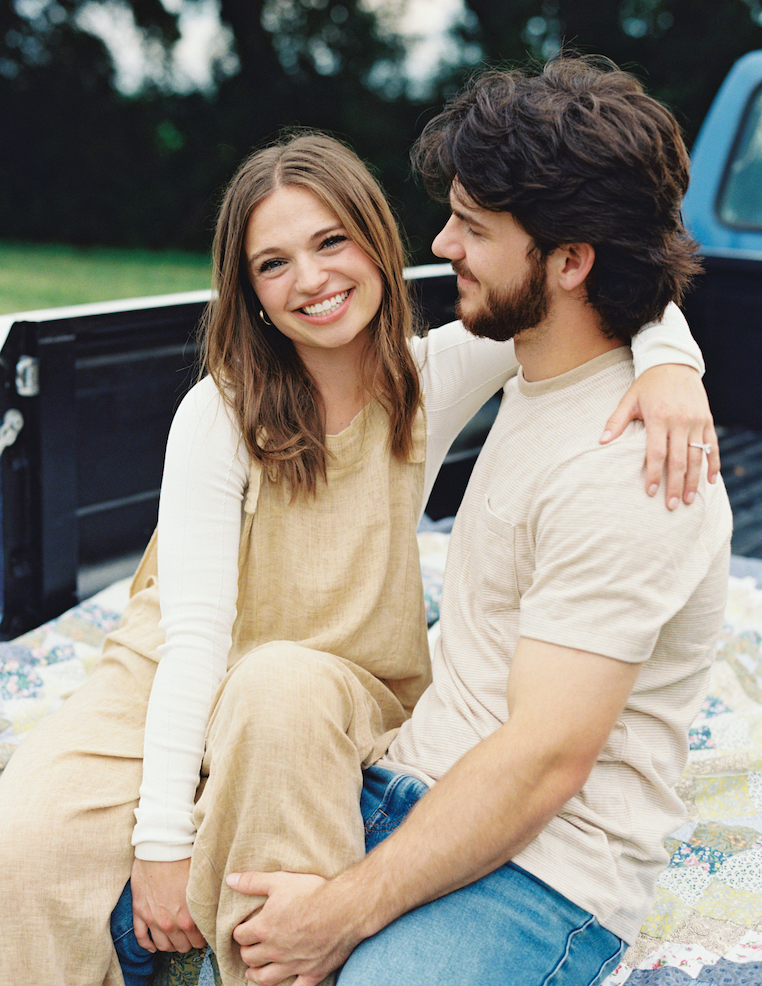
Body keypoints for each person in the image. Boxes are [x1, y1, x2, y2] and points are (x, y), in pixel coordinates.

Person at [0, 128, 712, 986]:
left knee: (281, 698)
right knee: (26, 846)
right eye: (273, 264)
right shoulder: (218, 414)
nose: (311, 279)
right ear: (250, 293)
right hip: (177, 671)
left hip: (323, 689)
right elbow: (192, 642)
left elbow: (599, 287)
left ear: (377, 243)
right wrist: (160, 844)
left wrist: (674, 366)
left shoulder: (437, 374)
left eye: (331, 241)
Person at [225, 58, 734, 986]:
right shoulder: (523, 362)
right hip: (409, 780)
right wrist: (672, 349)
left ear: (571, 260)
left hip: (543, 869)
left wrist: (342, 911)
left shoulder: (634, 465)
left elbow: (544, 762)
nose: (441, 242)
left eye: (473, 226)